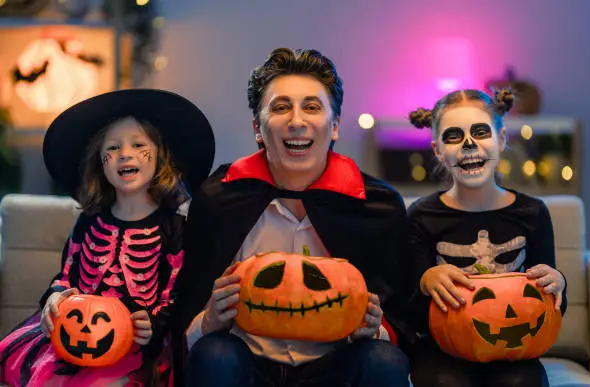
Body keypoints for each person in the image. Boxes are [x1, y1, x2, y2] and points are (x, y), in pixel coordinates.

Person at [173, 48, 413, 387]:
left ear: (334, 127)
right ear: (258, 128)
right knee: (215, 354)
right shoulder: (220, 198)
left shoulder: (376, 206)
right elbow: (185, 310)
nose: (297, 121)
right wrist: (208, 320)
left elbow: (402, 319)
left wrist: (376, 329)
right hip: (246, 365)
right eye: (281, 107)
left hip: (334, 366)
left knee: (383, 359)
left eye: (312, 107)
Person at [0, 89, 215, 386]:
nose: (125, 153)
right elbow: (66, 275)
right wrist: (54, 296)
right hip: (76, 332)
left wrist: (153, 325)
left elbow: (175, 297)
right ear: (100, 162)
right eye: (112, 148)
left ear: (160, 157)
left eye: (138, 144)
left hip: (136, 345)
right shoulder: (89, 220)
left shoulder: (174, 228)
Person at [405, 88, 567, 387]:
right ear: (438, 150)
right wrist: (426, 281)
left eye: (480, 133)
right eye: (453, 136)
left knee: (521, 382)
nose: (469, 145)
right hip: (444, 348)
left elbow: (550, 305)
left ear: (501, 139)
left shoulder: (532, 212)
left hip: (513, 345)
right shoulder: (421, 215)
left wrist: (559, 283)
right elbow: (412, 315)